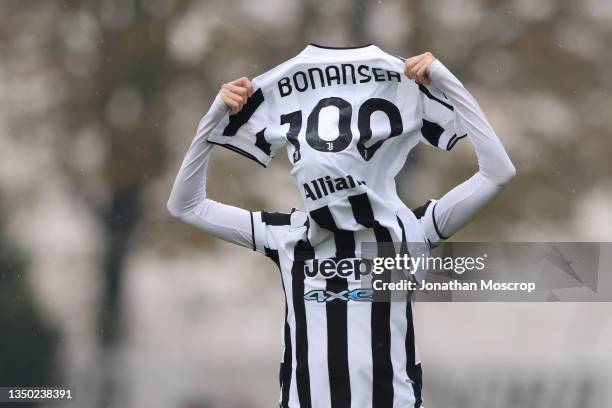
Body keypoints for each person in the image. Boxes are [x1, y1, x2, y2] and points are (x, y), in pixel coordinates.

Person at [167, 51, 515, 408]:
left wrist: (444, 78)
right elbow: (185, 206)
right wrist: (213, 117)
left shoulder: (411, 231)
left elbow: (498, 173)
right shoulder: (287, 235)